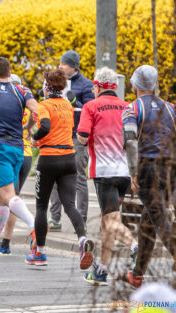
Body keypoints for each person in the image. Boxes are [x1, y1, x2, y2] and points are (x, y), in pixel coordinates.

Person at [26, 69, 94, 268]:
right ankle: (82, 240)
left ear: (47, 87)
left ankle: (40, 252)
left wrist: (35, 137)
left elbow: (46, 127)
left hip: (49, 159)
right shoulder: (67, 105)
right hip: (68, 159)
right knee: (70, 205)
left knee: (41, 206)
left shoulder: (44, 105)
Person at [76, 67, 138, 286]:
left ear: (98, 86)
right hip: (124, 172)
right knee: (106, 221)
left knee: (111, 221)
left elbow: (83, 138)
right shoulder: (127, 106)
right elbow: (133, 140)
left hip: (104, 172)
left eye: (94, 86)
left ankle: (134, 246)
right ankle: (101, 270)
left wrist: (83, 134)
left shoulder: (90, 106)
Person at [0, 58, 37, 258]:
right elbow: (35, 111)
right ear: (10, 73)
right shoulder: (22, 90)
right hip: (18, 147)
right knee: (1, 197)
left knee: (7, 194)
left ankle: (34, 226)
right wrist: (27, 129)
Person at [122, 65, 176, 288]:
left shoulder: (131, 109)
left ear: (134, 85)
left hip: (147, 169)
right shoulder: (171, 109)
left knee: (160, 219)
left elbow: (131, 141)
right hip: (170, 168)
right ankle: (138, 273)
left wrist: (133, 172)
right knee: (149, 220)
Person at [48, 50, 94, 231]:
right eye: (60, 63)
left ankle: (80, 220)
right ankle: (55, 219)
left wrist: (75, 102)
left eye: (64, 64)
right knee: (54, 178)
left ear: (74, 66)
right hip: (57, 135)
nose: (60, 66)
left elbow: (90, 111)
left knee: (79, 178)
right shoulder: (56, 81)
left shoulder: (85, 84)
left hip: (76, 137)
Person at [0, 74, 35, 256]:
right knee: (14, 197)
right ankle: (4, 241)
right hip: (26, 154)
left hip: (10, 152)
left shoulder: (6, 105)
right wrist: (29, 128)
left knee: (8, 199)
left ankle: (4, 241)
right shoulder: (27, 104)